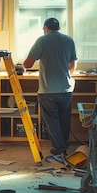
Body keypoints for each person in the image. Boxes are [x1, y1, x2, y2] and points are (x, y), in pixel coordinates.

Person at [23, 17, 77, 158]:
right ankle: (63, 145)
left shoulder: (42, 40)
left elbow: (27, 64)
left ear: (45, 28)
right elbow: (72, 66)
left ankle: (60, 148)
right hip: (66, 89)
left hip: (48, 90)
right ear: (58, 27)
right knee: (64, 118)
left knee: (52, 119)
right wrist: (64, 75)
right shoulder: (69, 40)